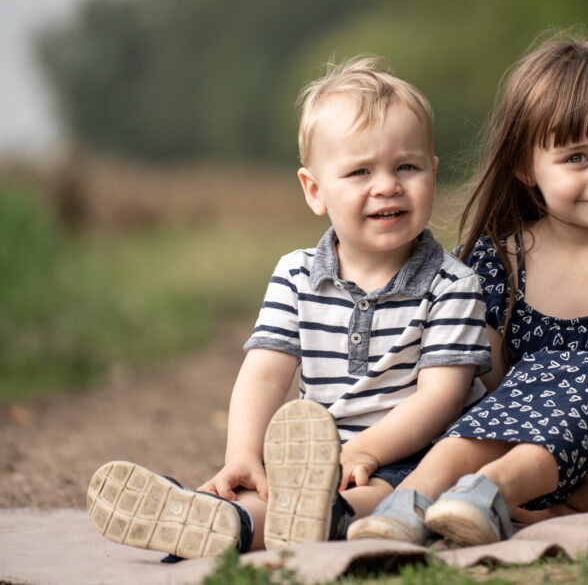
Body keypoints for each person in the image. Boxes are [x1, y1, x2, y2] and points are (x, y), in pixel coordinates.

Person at [85, 56, 492, 559]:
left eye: (406, 167)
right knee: (272, 491)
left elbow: (441, 399)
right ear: (315, 190)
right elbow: (264, 375)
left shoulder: (453, 283)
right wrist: (242, 454)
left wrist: (365, 450)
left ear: (432, 173)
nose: (387, 185)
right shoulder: (297, 273)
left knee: (389, 489)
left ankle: (318, 519)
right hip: (314, 455)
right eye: (360, 171)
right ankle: (221, 520)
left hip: (416, 448)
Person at [347, 35, 588, 547]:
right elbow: (482, 389)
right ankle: (405, 503)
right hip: (524, 460)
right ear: (526, 167)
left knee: (578, 369)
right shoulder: (496, 261)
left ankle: (492, 490)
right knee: (488, 398)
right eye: (577, 157)